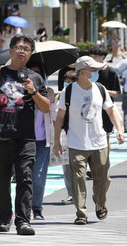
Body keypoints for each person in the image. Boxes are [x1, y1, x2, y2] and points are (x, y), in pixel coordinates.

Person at [0, 34, 50, 235]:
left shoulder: (35, 78)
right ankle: (5, 218)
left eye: (26, 48)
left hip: (26, 138)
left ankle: (23, 221)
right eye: (18, 47)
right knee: (1, 179)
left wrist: (34, 92)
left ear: (31, 53)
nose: (22, 51)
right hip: (1, 136)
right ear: (11, 51)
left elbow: (45, 107)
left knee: (25, 178)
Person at [53, 56, 125, 225]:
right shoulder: (68, 92)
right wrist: (56, 141)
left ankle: (99, 202)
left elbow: (112, 111)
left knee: (104, 179)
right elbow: (60, 117)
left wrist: (120, 130)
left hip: (99, 142)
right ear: (83, 72)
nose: (96, 73)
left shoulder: (100, 89)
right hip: (76, 142)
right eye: (93, 70)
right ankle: (81, 213)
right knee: (78, 179)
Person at [28, 65, 54, 221]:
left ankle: (37, 208)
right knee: (23, 176)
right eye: (31, 72)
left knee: (38, 176)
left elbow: (55, 114)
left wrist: (52, 100)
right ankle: (22, 208)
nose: (34, 76)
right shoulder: (19, 93)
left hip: (42, 141)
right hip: (22, 140)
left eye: (37, 73)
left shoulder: (46, 94)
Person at [57, 70, 78, 204]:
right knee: (66, 165)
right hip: (65, 134)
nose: (67, 85)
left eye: (70, 82)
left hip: (79, 135)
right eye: (66, 82)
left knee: (78, 167)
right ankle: (71, 193)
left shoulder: (80, 95)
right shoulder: (61, 96)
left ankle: (79, 193)